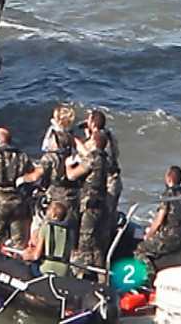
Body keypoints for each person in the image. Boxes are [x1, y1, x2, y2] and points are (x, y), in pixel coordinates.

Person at [135, 166, 181, 276]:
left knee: (140, 249)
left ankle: (149, 277)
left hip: (170, 238)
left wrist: (149, 235)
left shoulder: (168, 195)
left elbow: (159, 219)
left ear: (169, 178)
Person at [66, 130, 109, 278]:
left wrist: (67, 165)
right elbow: (88, 155)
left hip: (89, 206)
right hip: (101, 205)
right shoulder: (104, 158)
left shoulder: (93, 158)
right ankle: (101, 278)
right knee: (97, 245)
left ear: (94, 142)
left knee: (84, 243)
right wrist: (78, 143)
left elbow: (72, 175)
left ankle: (80, 276)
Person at [77, 110, 122, 237]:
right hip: (116, 181)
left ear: (92, 124)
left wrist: (81, 144)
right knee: (111, 215)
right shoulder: (110, 136)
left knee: (102, 219)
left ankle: (102, 242)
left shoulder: (94, 142)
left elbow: (89, 158)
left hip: (106, 183)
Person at [21, 201, 74, 277]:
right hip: (63, 271)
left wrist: (25, 256)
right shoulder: (70, 232)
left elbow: (36, 256)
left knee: (29, 266)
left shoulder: (46, 228)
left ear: (53, 214)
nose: (46, 211)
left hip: (47, 269)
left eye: (49, 209)